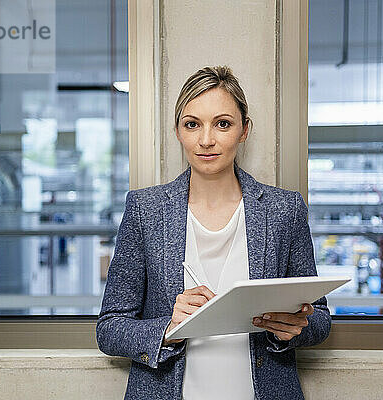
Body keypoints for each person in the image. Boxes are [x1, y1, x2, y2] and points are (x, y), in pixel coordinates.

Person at [96, 66, 331, 400]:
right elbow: (109, 328)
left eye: (223, 124)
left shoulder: (284, 210)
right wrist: (167, 328)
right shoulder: (144, 209)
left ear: (244, 130)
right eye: (192, 124)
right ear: (178, 131)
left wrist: (290, 331)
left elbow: (319, 319)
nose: (206, 140)